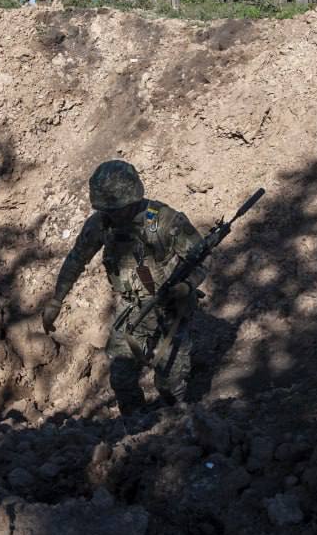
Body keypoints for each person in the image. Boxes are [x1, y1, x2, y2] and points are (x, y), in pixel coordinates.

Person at [42, 160, 205, 413]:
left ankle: (177, 425)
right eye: (107, 209)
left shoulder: (164, 221)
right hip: (132, 308)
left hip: (170, 309)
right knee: (121, 378)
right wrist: (56, 300)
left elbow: (202, 259)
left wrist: (186, 286)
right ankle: (135, 426)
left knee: (170, 384)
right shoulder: (101, 224)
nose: (113, 215)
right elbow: (76, 259)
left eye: (117, 209)